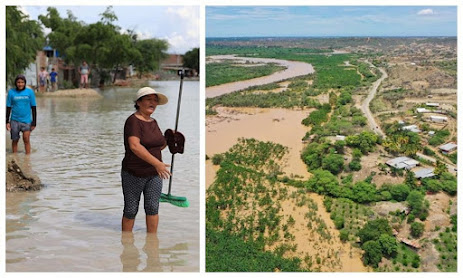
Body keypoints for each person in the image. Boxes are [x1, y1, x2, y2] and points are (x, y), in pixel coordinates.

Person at [121, 87, 171, 233]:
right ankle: (126, 243)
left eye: (155, 100)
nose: (153, 103)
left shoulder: (153, 122)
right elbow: (135, 146)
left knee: (152, 208)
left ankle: (152, 243)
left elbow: (157, 146)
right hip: (133, 173)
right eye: (149, 99)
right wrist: (158, 163)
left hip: (154, 174)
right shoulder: (133, 121)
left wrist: (170, 140)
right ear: (139, 102)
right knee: (131, 210)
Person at [6, 75, 37, 154]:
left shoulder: (29, 92)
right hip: (14, 120)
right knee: (15, 140)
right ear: (16, 83)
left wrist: (34, 122)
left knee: (26, 139)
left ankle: (27, 158)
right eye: (18, 82)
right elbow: (8, 107)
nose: (20, 84)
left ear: (25, 83)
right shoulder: (11, 92)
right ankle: (14, 157)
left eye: (22, 82)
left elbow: (33, 107)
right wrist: (7, 122)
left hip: (26, 120)